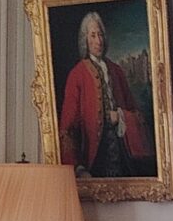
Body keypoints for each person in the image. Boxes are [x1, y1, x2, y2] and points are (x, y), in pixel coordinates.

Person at [57, 10, 154, 179]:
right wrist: (77, 167)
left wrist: (121, 116)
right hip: (94, 157)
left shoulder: (117, 71)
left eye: (100, 34)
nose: (98, 41)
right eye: (93, 35)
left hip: (122, 153)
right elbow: (67, 128)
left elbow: (137, 114)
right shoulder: (77, 74)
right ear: (85, 40)